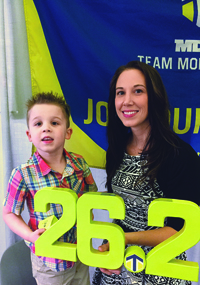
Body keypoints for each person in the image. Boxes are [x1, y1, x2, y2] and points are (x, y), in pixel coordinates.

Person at [92, 61, 200, 285]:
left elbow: (181, 230)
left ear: (155, 97)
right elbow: (121, 212)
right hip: (118, 267)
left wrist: (123, 239)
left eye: (138, 91)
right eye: (120, 93)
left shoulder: (180, 156)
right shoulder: (117, 149)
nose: (127, 101)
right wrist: (108, 247)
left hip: (160, 270)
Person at [3, 92, 97, 285]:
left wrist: (89, 219)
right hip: (49, 263)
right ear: (29, 135)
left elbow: (91, 196)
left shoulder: (79, 164)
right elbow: (9, 213)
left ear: (67, 132)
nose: (46, 128)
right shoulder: (23, 174)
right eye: (38, 124)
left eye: (54, 123)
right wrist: (29, 235)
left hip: (80, 253)